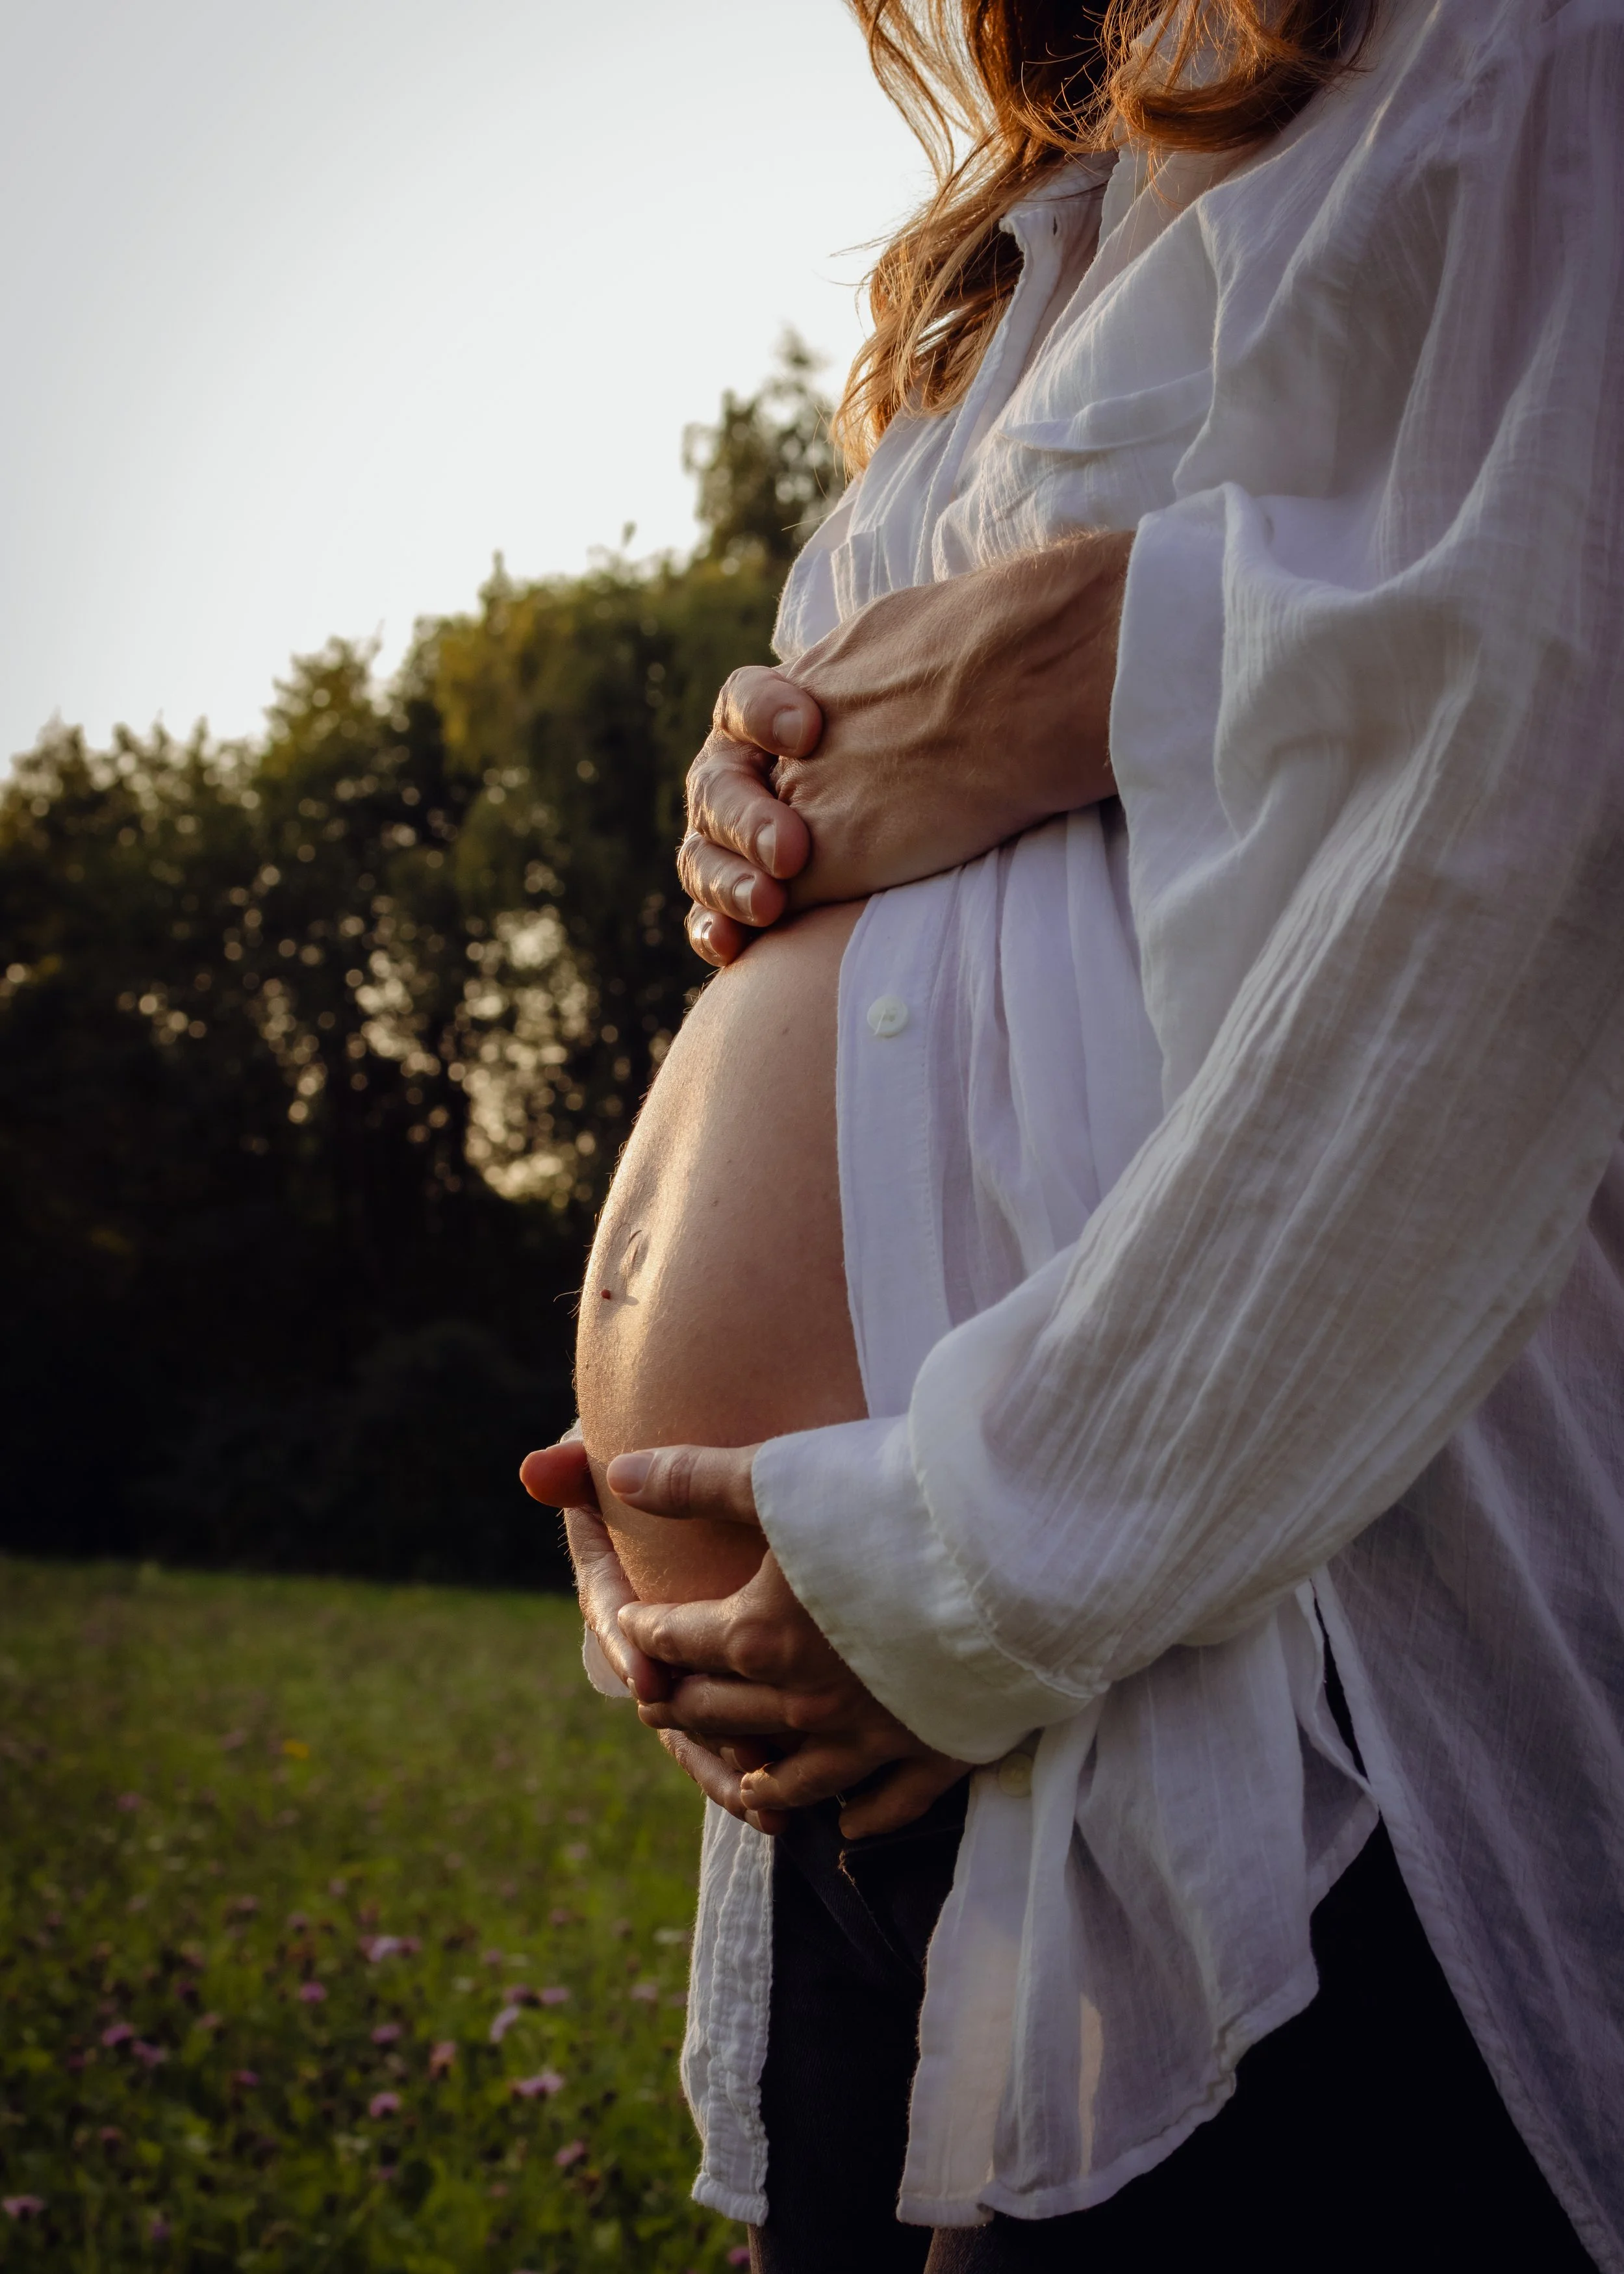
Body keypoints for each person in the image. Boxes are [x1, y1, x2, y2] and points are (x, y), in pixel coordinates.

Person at [523, 0, 1624, 2266]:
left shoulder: (1524, 48)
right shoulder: (1020, 233)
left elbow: (1530, 765)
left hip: (1261, 1648)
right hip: (853, 1646)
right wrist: (769, 775)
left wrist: (988, 1552)